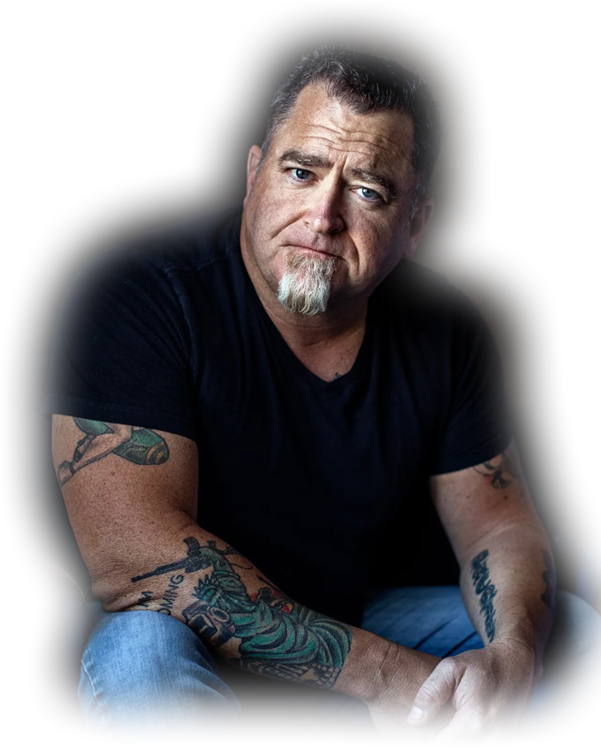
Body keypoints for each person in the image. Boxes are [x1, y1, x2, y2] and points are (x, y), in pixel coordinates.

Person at [43, 46, 601, 746]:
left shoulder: (444, 328)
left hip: (345, 611)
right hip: (178, 630)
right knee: (141, 658)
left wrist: (514, 657)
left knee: (574, 639)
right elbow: (137, 560)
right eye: (301, 172)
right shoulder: (137, 294)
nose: (323, 215)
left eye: (367, 191)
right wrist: (381, 674)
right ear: (255, 174)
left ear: (414, 225)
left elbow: (497, 527)